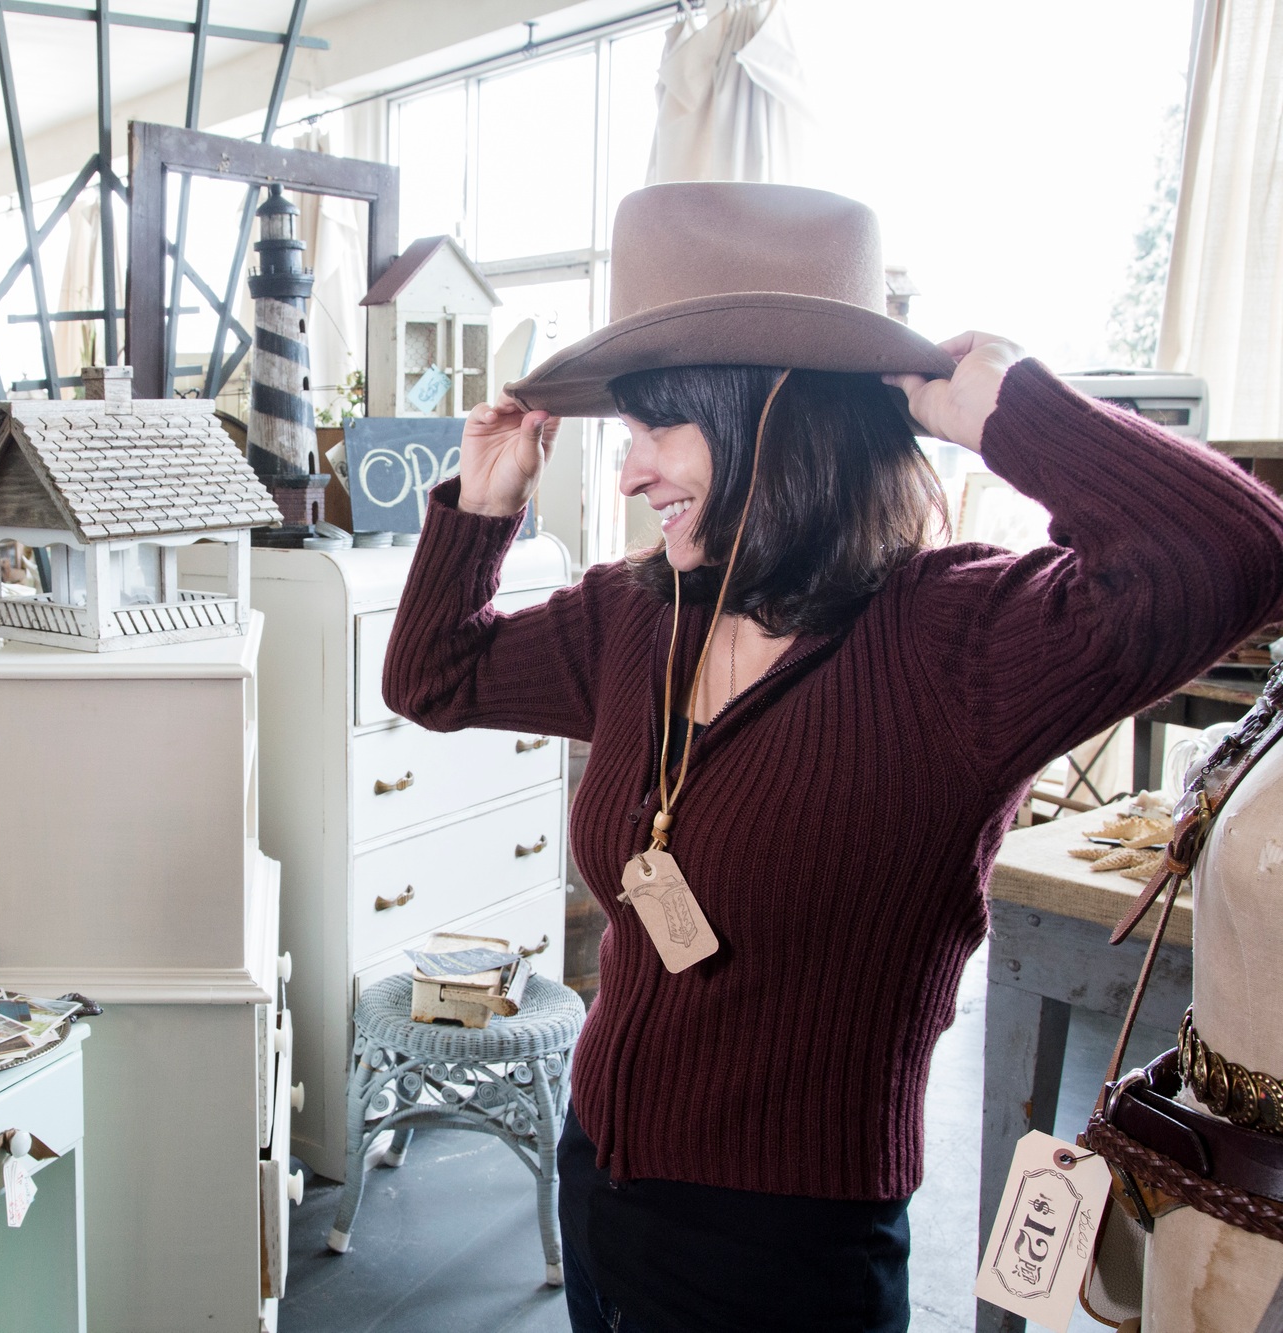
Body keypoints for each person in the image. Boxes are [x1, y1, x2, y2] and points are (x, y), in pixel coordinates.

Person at [381, 182, 1283, 1332]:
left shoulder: (958, 643)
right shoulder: (635, 614)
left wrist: (1008, 412)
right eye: (625, 429)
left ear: (776, 415)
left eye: (661, 424)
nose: (626, 471)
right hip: (597, 1183)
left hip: (785, 1253)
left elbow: (1236, 552)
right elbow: (430, 679)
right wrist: (477, 504)